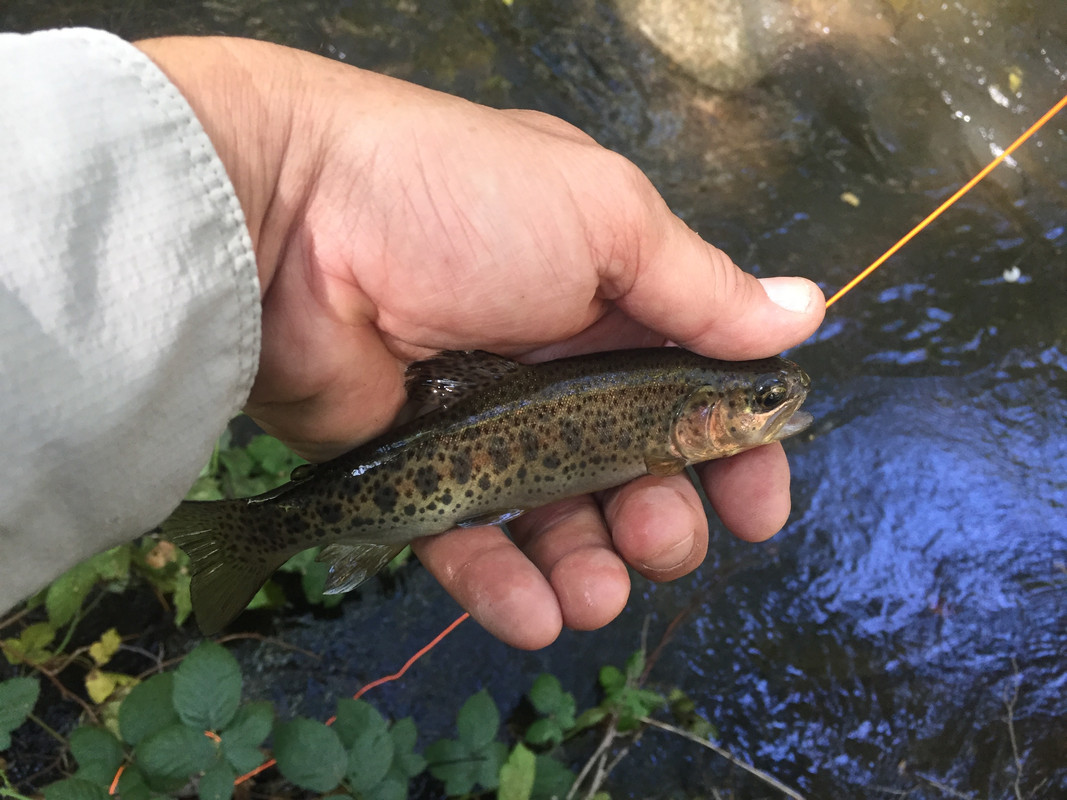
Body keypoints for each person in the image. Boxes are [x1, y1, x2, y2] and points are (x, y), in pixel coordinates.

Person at [0, 29, 823, 650]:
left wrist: (283, 180)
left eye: (762, 399)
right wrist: (284, 179)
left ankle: (254, 529)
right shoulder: (660, 420)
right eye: (760, 400)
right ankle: (251, 532)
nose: (776, 402)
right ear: (695, 420)